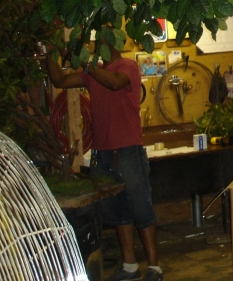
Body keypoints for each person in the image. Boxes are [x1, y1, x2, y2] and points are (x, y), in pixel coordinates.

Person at [46, 41, 163, 281]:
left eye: (104, 40)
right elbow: (60, 81)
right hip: (102, 153)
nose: (99, 44)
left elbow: (114, 83)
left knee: (141, 207)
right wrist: (51, 52)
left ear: (116, 44)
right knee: (118, 211)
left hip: (128, 151)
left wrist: (84, 63)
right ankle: (130, 266)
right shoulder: (94, 72)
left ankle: (154, 267)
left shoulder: (128, 66)